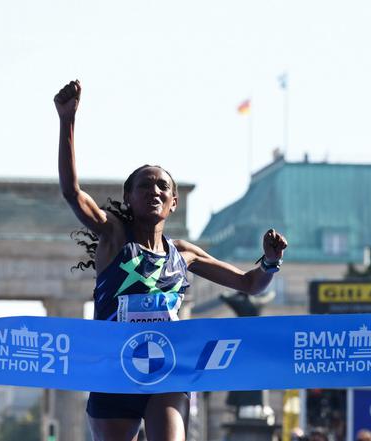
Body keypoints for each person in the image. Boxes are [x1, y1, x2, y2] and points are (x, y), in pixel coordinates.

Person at [55, 79, 288, 441]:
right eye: (145, 186)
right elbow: (72, 193)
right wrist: (67, 121)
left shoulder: (184, 253)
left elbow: (249, 284)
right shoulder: (115, 237)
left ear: (174, 203)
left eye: (163, 187)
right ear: (128, 198)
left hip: (165, 368)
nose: (154, 191)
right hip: (114, 369)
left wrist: (270, 263)